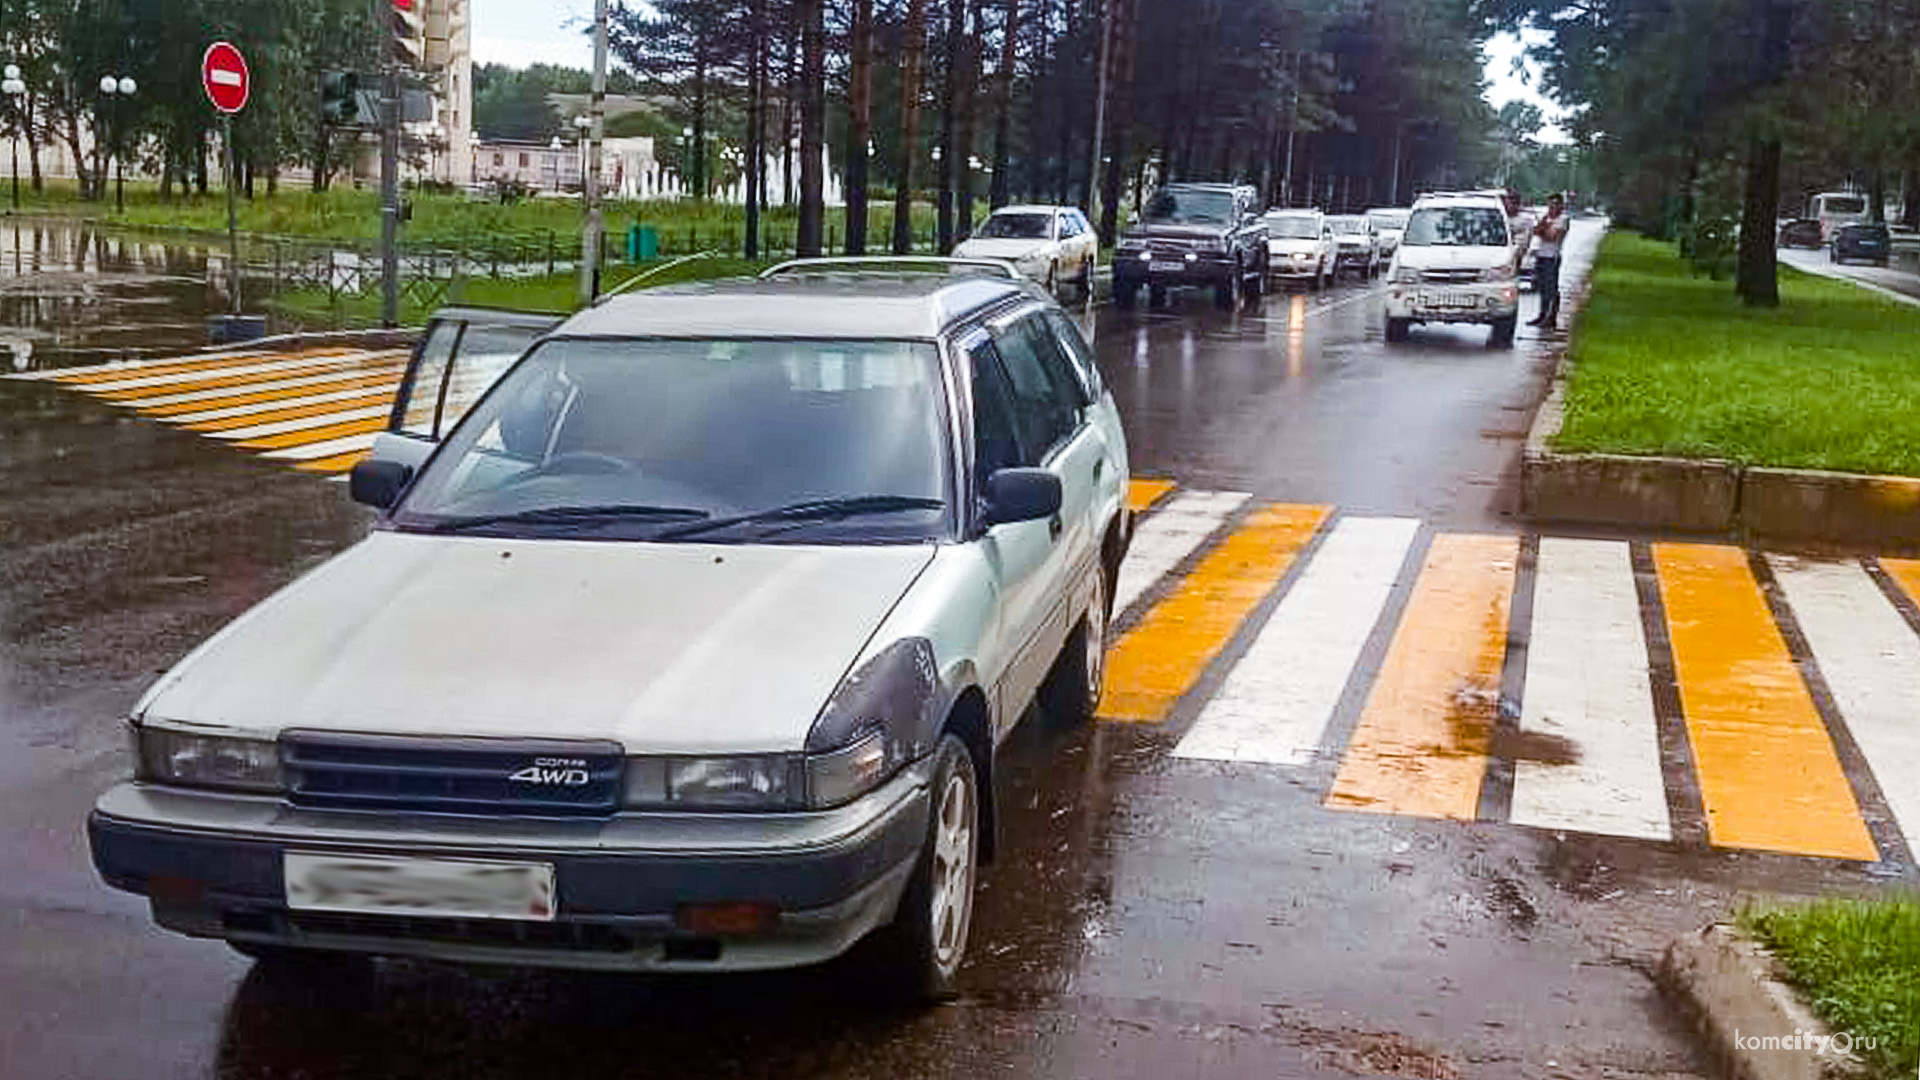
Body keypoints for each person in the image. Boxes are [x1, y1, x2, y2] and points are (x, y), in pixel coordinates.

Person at [1529, 193, 1571, 328]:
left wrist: (1544, 227)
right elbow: (1535, 231)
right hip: (1541, 255)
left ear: (1560, 205)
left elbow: (1552, 237)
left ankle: (1551, 317)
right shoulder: (1546, 218)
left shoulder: (1563, 219)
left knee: (1551, 288)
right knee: (1541, 287)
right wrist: (1543, 225)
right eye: (1550, 204)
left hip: (1552, 257)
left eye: (1554, 204)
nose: (1551, 207)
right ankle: (1541, 314)